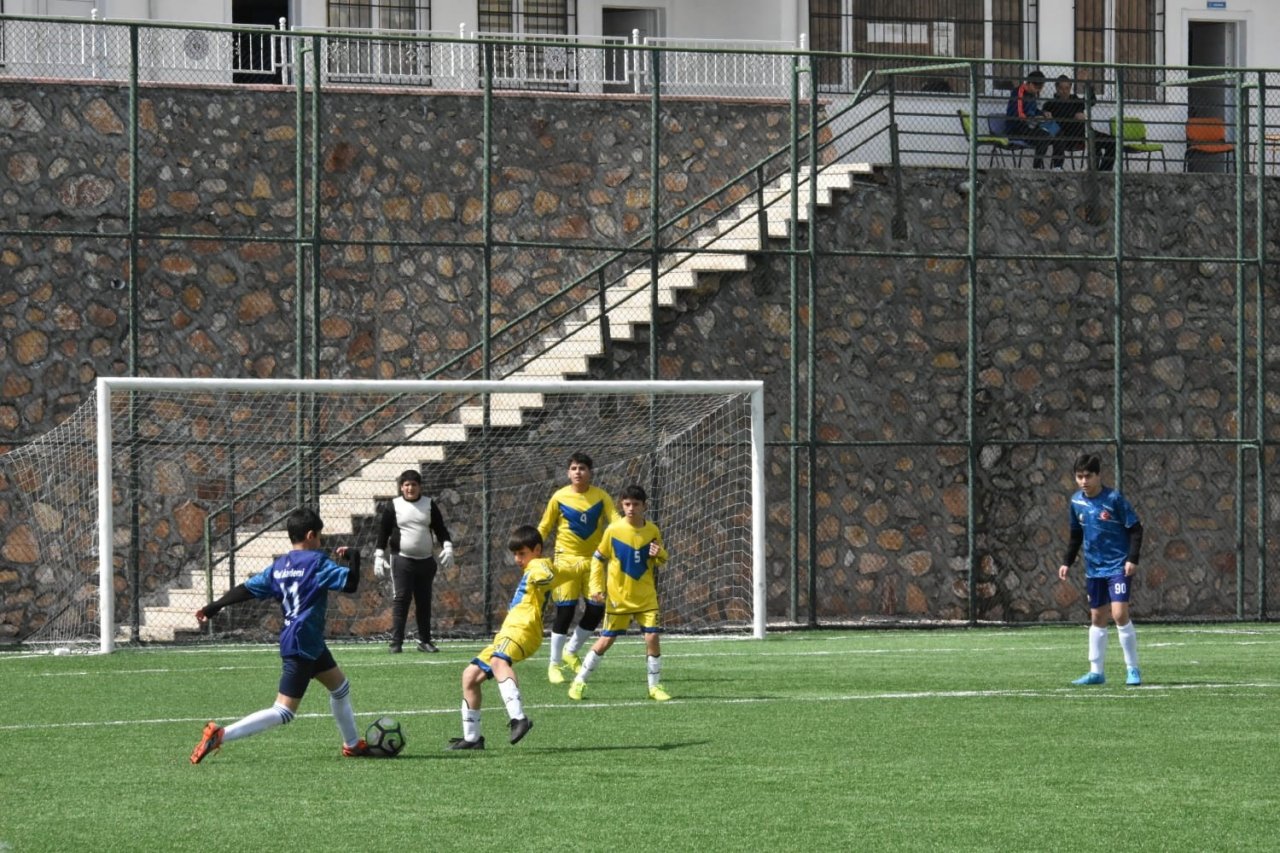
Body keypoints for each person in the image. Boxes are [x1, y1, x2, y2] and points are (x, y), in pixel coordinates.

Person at [190, 507, 371, 763]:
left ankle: (352, 744)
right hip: (302, 642)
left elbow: (247, 589)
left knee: (340, 688)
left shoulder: (279, 566)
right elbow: (350, 584)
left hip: (305, 639)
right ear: (310, 535)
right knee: (284, 711)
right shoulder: (317, 562)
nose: (320, 542)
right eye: (319, 536)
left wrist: (215, 605)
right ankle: (220, 734)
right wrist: (354, 557)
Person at [447, 525, 557, 750]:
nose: (518, 559)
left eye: (522, 553)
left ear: (537, 550)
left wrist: (544, 576)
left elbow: (546, 573)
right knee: (470, 676)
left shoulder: (538, 564)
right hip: (508, 633)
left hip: (523, 629)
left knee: (498, 662)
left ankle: (519, 718)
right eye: (515, 554)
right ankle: (472, 738)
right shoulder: (531, 567)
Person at [568, 484, 671, 702]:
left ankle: (655, 687)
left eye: (635, 504)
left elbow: (661, 560)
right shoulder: (613, 530)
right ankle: (579, 681)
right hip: (619, 598)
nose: (631, 508)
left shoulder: (652, 530)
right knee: (606, 641)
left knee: (652, 636)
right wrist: (596, 588)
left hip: (646, 597)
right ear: (621, 505)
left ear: (644, 506)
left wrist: (660, 552)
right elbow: (597, 558)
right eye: (627, 504)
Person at [1057, 453, 1144, 686]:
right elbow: (1076, 535)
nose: (1084, 481)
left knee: (1119, 614)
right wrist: (1067, 561)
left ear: (1098, 476)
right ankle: (1096, 672)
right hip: (1094, 568)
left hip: (1117, 566)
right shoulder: (1076, 502)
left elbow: (1136, 529)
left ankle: (1133, 669)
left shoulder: (1114, 499)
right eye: (1079, 477)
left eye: (1088, 476)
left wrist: (1132, 558)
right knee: (1097, 617)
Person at [537, 451, 619, 684]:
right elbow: (544, 526)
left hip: (593, 562)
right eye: (574, 468)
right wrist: (533, 550)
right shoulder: (559, 497)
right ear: (568, 472)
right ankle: (554, 664)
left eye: (582, 468)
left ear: (590, 472)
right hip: (565, 560)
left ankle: (571, 650)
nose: (578, 472)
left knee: (596, 608)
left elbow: (615, 523)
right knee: (565, 610)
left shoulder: (601, 497)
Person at [374, 468, 454, 654]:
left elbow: (440, 529)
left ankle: (424, 641)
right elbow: (383, 532)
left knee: (424, 601)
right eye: (407, 485)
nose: (410, 488)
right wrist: (379, 555)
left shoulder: (429, 505)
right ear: (401, 487)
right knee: (401, 599)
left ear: (420, 487)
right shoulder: (393, 506)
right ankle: (396, 643)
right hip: (402, 560)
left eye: (414, 485)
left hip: (426, 562)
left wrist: (448, 547)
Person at [1043, 74, 1115, 171]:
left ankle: (1104, 172)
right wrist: (1073, 116)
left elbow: (1092, 101)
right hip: (1065, 138)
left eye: (1067, 88)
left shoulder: (1075, 100)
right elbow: (1047, 118)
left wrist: (1087, 83)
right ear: (1056, 88)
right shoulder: (1050, 104)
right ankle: (1058, 167)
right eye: (1061, 88)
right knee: (1060, 138)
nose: (1064, 91)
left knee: (1112, 141)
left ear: (1071, 88)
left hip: (1083, 134)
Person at [1005, 69, 1053, 169]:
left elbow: (1033, 110)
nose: (1038, 90)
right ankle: (1037, 168)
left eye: (1041, 87)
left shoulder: (1032, 94)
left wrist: (1043, 114)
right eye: (1037, 87)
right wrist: (1035, 118)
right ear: (1030, 83)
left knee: (1056, 130)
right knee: (1044, 136)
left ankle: (1057, 166)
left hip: (1031, 125)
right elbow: (1018, 115)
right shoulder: (1018, 92)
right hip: (1017, 127)